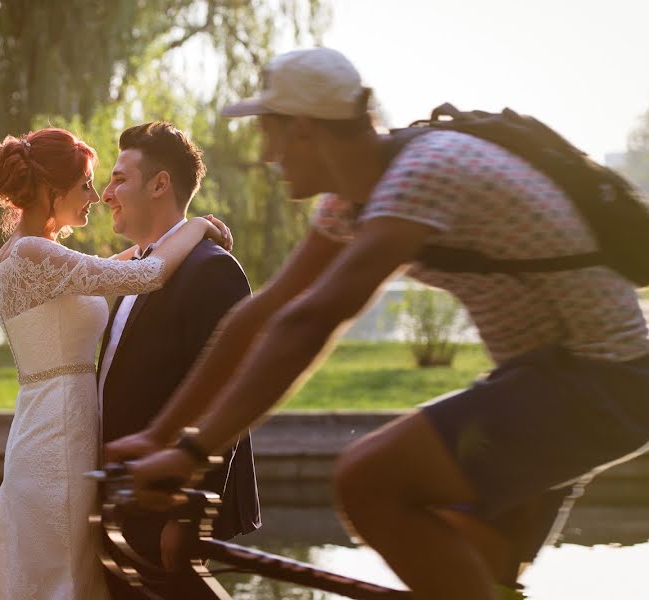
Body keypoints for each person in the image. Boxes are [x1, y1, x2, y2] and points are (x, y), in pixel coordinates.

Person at [106, 47, 649, 600]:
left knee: (367, 480)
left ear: (303, 131)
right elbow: (262, 313)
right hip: (544, 382)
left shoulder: (422, 175)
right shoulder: (353, 199)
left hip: (605, 380)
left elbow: (312, 321)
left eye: (269, 134)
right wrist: (160, 435)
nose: (268, 155)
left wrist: (196, 452)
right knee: (474, 571)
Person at [0, 126, 233, 600]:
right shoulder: (34, 253)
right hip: (59, 435)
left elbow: (124, 264)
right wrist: (197, 228)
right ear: (49, 189)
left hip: (51, 424)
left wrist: (165, 241)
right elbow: (146, 273)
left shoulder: (27, 255)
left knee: (63, 567)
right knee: (60, 571)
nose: (94, 196)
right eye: (84, 184)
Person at [98, 121, 261, 599]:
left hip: (168, 503)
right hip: (123, 500)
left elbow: (227, 392)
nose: (106, 193)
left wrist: (190, 512)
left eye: (118, 179)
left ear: (160, 184)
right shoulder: (136, 270)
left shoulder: (211, 270)